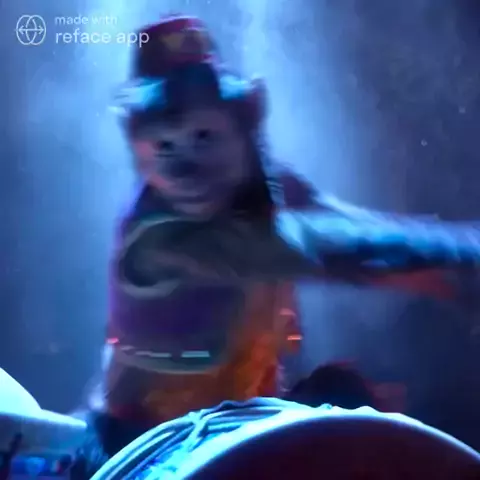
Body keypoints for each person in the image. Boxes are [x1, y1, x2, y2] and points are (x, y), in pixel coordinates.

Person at [85, 14, 480, 461]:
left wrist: (443, 277)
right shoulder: (158, 240)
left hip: (236, 424)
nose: (184, 170)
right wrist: (461, 250)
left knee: (348, 401)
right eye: (164, 147)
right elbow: (315, 246)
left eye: (203, 137)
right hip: (148, 446)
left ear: (246, 123)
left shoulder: (265, 188)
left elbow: (346, 228)